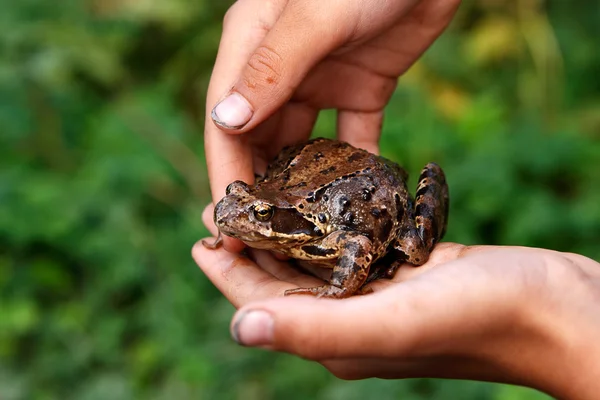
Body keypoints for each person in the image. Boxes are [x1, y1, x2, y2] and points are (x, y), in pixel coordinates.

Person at [195, 0, 600, 398]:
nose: (236, 214)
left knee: (412, 249)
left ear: (279, 214)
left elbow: (358, 241)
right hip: (318, 169)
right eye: (240, 199)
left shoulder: (329, 235)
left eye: (263, 214)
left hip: (376, 192)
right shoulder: (274, 209)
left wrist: (336, 289)